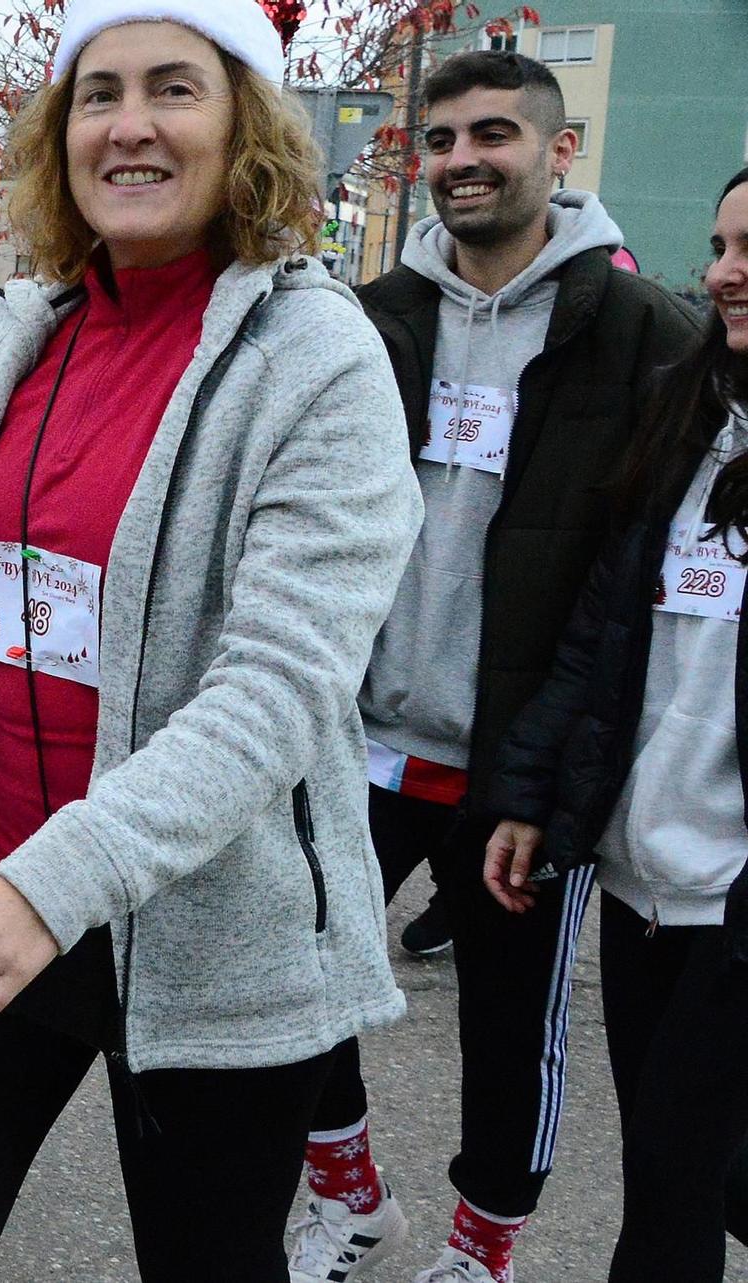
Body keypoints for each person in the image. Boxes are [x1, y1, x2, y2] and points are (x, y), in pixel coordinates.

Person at [0, 3, 423, 1279]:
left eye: (173, 89)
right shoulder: (8, 340)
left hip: (209, 923)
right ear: (57, 133)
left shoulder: (320, 361)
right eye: (97, 93)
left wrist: (52, 888)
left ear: (244, 125)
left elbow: (276, 693)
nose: (129, 124)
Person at [289, 51, 703, 1283]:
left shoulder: (645, 336)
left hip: (514, 767)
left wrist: (558, 772)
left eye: (491, 136)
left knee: (507, 1032)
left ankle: (481, 1249)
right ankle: (350, 1195)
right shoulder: (372, 316)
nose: (460, 160)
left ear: (556, 152)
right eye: (438, 140)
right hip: (355, 735)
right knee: (288, 975)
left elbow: (634, 587)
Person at [482, 167, 748, 1283]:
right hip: (643, 885)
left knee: (674, 1189)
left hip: (732, 897)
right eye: (720, 244)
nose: (723, 273)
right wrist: (534, 796)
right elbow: (600, 634)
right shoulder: (690, 416)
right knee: (683, 1168)